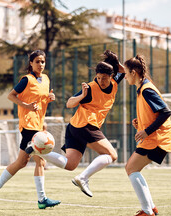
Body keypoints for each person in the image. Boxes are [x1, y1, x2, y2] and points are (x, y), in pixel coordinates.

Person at [28, 50, 125, 197]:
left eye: (104, 78)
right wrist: (82, 96)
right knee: (112, 154)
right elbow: (69, 103)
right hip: (86, 125)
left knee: (70, 164)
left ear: (111, 76)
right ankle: (83, 178)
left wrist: (114, 61)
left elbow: (123, 70)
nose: (100, 81)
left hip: (75, 127)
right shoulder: (90, 88)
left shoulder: (114, 82)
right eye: (98, 77)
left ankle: (37, 150)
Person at [0, 50, 60, 209]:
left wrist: (49, 98)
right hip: (28, 125)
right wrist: (25, 105)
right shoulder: (27, 79)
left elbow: (41, 99)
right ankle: (42, 200)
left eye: (43, 62)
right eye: (37, 61)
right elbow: (11, 95)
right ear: (31, 63)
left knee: (22, 162)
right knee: (40, 160)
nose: (40, 64)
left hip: (38, 125)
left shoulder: (46, 79)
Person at [123, 55, 171, 216]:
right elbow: (154, 114)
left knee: (131, 168)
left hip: (158, 138)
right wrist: (141, 123)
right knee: (133, 168)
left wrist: (146, 131)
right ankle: (150, 207)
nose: (125, 76)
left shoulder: (147, 90)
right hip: (155, 138)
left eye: (126, 73)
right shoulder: (141, 89)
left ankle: (147, 211)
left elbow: (166, 112)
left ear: (134, 72)